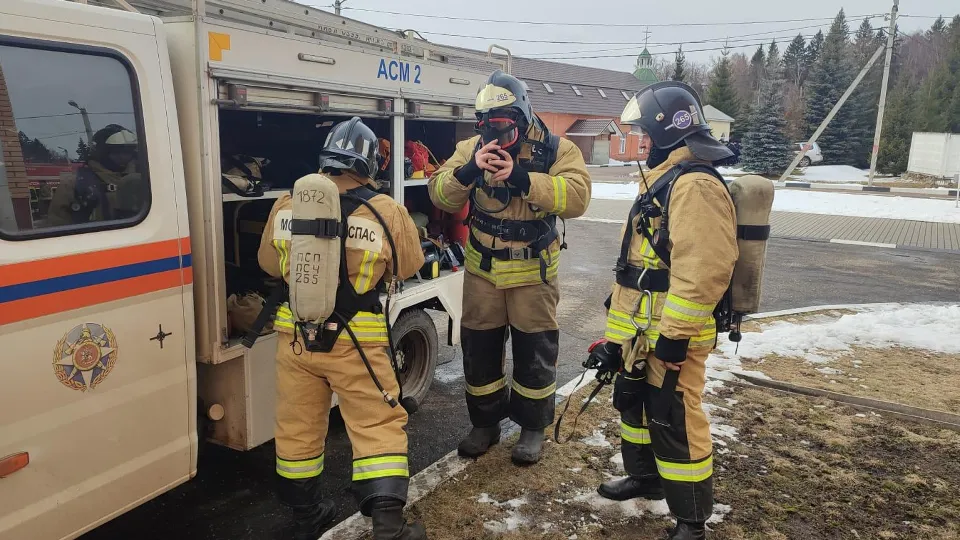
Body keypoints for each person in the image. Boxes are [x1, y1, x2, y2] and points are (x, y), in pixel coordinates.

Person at [257, 118, 426, 540]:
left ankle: (306, 518)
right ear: (368, 164)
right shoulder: (385, 209)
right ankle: (389, 529)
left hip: (295, 337)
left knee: (297, 428)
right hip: (357, 340)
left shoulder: (285, 204)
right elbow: (410, 266)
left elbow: (265, 263)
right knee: (376, 425)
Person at [592, 81, 739, 540]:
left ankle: (692, 520)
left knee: (674, 416)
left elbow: (705, 270)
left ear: (665, 133)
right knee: (635, 408)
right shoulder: (666, 179)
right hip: (640, 330)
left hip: (670, 335)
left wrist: (675, 335)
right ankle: (647, 478)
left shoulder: (694, 185)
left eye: (646, 135)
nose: (642, 144)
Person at [429, 70, 591, 465]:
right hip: (483, 270)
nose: (494, 136)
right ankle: (485, 424)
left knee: (534, 351)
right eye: (486, 126)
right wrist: (468, 172)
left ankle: (532, 427)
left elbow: (578, 197)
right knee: (479, 350)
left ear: (520, 117)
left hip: (532, 271)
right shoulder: (471, 148)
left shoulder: (556, 149)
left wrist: (523, 179)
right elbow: (439, 191)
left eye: (501, 125)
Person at [47, 124, 145, 226]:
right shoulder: (73, 185)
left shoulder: (145, 177)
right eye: (116, 151)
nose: (123, 156)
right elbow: (58, 225)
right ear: (102, 153)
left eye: (127, 151)